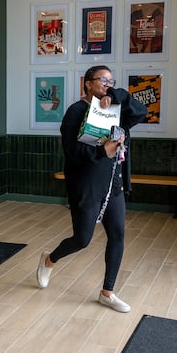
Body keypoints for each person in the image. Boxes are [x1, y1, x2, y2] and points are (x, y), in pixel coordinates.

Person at [36, 65, 147, 313]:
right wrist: (102, 151)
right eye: (102, 80)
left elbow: (141, 112)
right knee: (82, 239)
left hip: (113, 184)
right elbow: (72, 152)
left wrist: (116, 95)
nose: (107, 84)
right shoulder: (76, 112)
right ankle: (49, 259)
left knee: (117, 236)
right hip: (86, 184)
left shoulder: (116, 110)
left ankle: (107, 292)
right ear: (87, 83)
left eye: (111, 80)